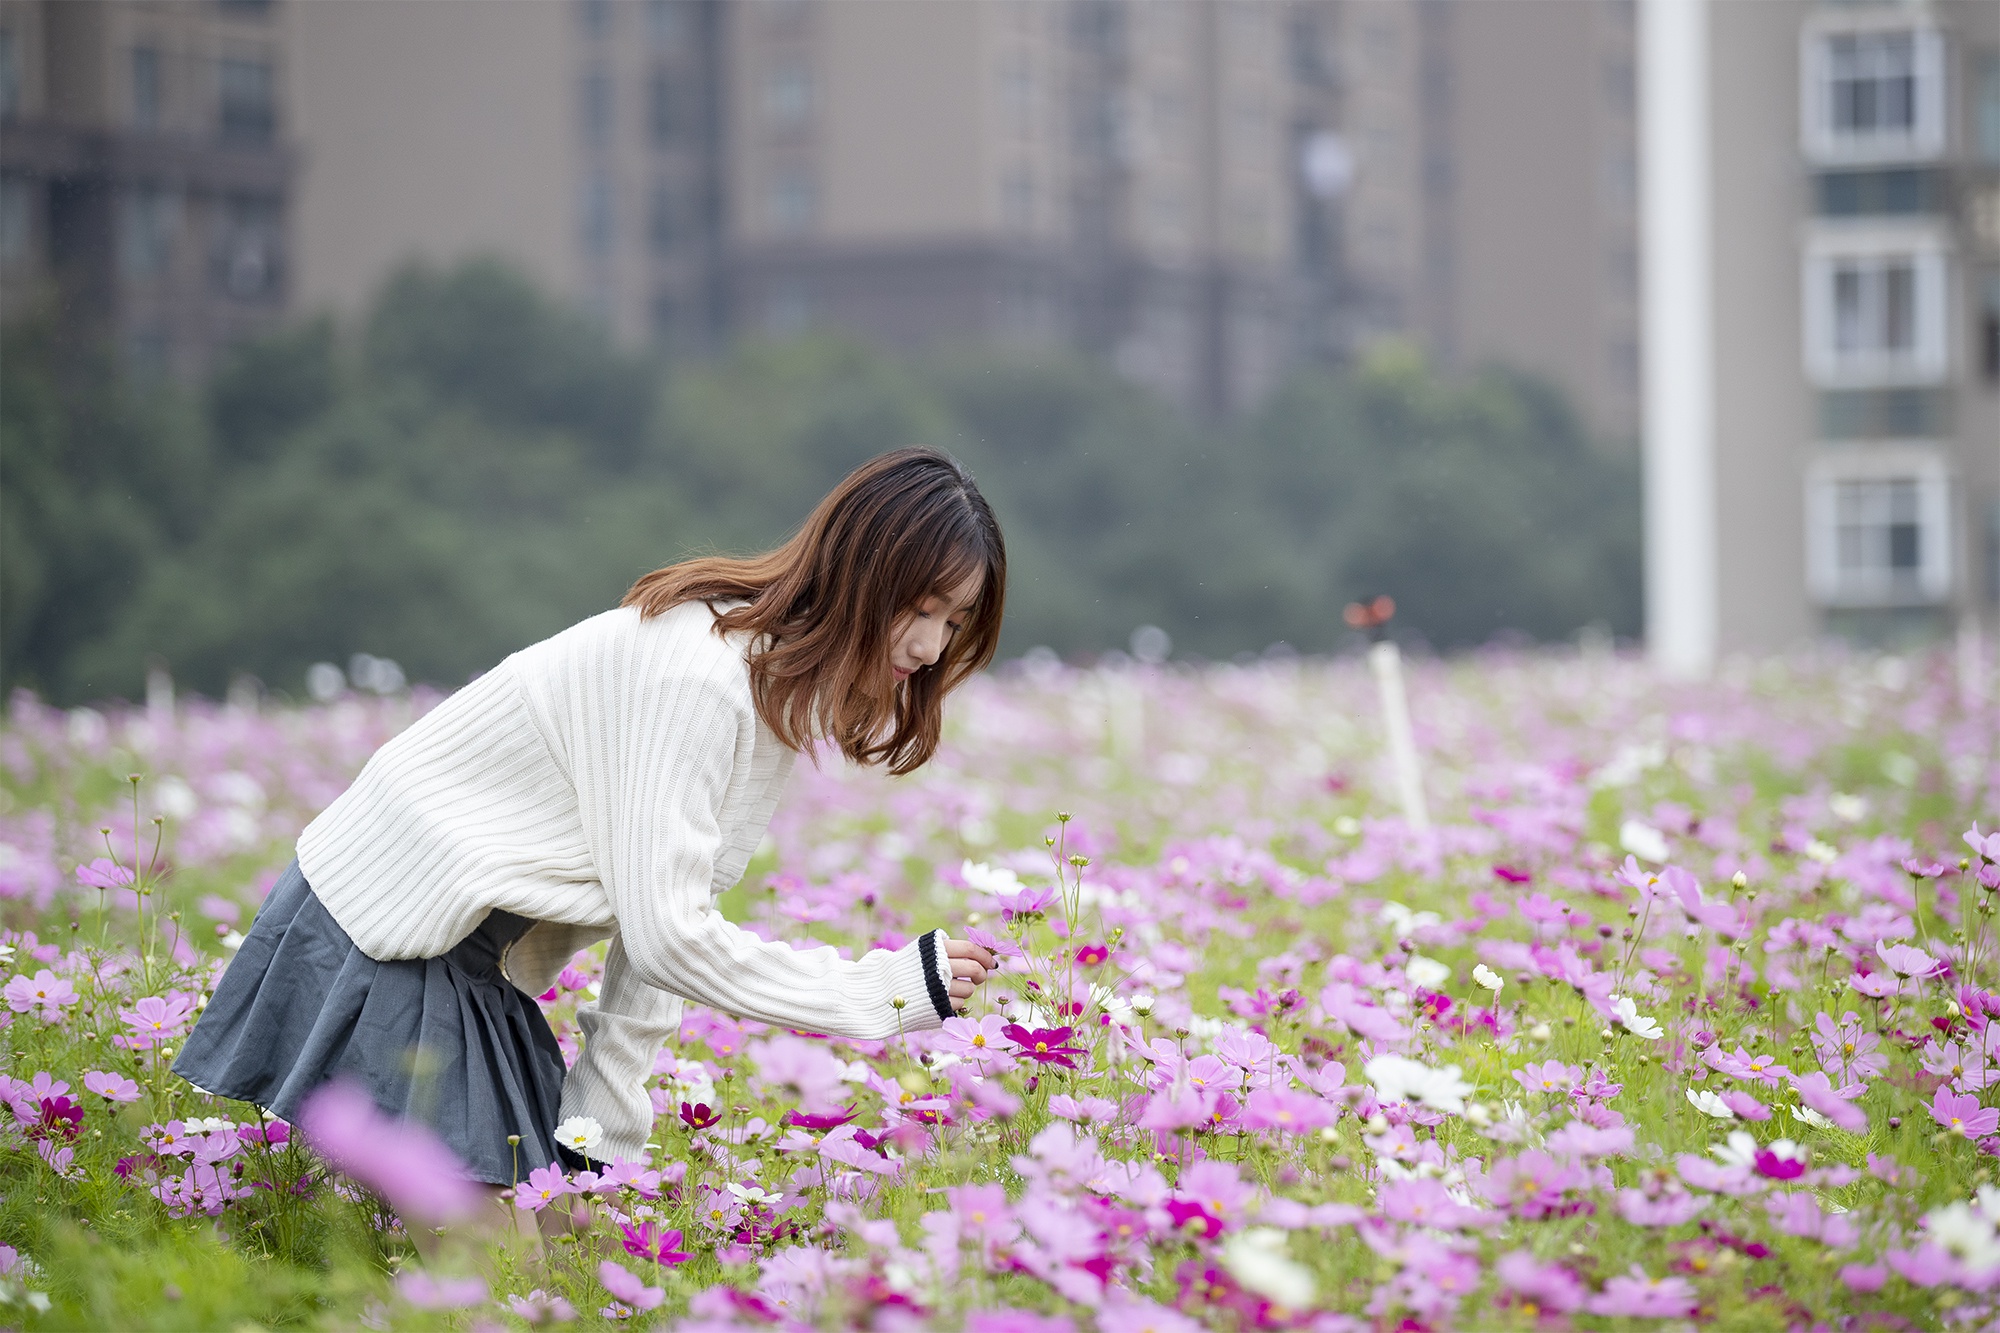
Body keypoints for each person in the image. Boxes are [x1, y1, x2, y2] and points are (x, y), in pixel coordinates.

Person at [173, 448, 1004, 1185]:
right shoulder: (702, 678)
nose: (931, 647)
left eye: (954, 622)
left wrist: (597, 1140)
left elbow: (666, 928)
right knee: (499, 1276)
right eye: (921, 607)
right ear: (861, 572)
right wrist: (881, 993)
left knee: (548, 1254)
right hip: (381, 934)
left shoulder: (766, 692)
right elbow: (669, 937)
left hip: (461, 960)